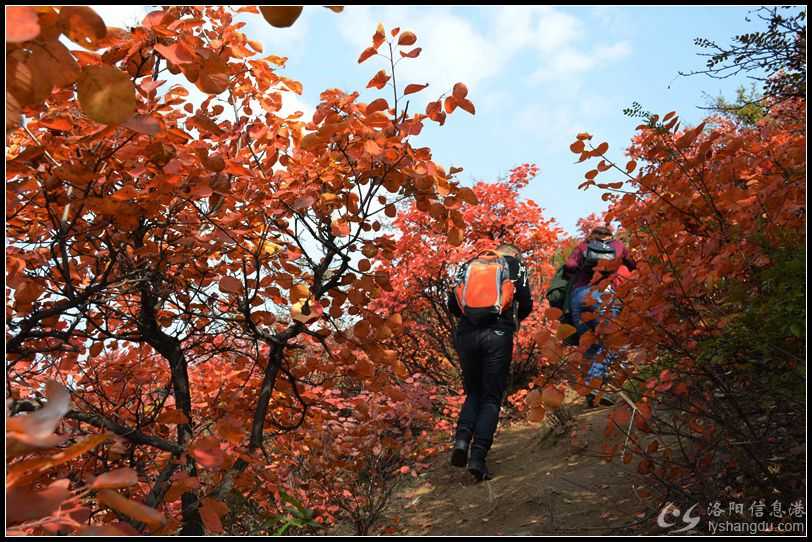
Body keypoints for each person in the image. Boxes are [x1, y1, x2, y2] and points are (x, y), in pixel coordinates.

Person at [447, 243, 533, 481]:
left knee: (473, 392)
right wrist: (508, 319)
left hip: (466, 334)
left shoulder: (469, 265)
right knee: (491, 397)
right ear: (515, 255)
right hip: (497, 334)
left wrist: (474, 316)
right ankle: (478, 457)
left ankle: (462, 442)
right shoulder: (516, 266)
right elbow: (526, 303)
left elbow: (453, 304)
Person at [564, 226, 635, 407]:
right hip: (602, 295)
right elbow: (634, 263)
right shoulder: (618, 245)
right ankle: (593, 387)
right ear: (610, 235)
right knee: (612, 341)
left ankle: (593, 393)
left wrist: (583, 268)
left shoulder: (583, 246)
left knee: (590, 344)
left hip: (578, 297)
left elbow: (570, 265)